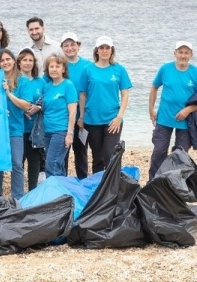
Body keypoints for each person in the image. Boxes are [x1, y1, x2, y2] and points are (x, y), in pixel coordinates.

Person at [148, 41, 197, 180]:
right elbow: (154, 87)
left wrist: (188, 110)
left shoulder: (196, 73)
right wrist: (151, 109)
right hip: (164, 118)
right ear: (175, 53)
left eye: (186, 53)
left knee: (180, 155)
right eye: (180, 52)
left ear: (191, 55)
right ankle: (153, 182)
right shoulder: (165, 69)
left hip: (187, 121)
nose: (183, 55)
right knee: (159, 151)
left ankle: (175, 185)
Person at [76, 36, 132, 174]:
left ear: (112, 51)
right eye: (102, 48)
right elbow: (82, 95)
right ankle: (98, 189)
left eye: (108, 48)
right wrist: (81, 117)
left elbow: (125, 95)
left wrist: (119, 117)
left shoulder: (119, 69)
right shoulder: (88, 69)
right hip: (92, 119)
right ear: (97, 51)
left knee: (109, 155)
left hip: (113, 119)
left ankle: (113, 186)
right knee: (97, 158)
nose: (105, 51)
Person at [0, 49, 26, 200]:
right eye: (2, 60)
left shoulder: (22, 80)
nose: (5, 62)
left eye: (8, 59)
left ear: (14, 61)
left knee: (16, 163)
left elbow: (25, 105)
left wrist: (8, 94)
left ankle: (18, 196)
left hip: (15, 127)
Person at [60, 32, 93, 178]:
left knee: (81, 151)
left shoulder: (88, 66)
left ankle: (83, 181)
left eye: (72, 44)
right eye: (66, 45)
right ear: (62, 48)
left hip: (81, 118)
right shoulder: (59, 65)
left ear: (78, 46)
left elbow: (92, 91)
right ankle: (63, 184)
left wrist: (84, 115)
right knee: (63, 152)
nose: (69, 48)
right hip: (63, 117)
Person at [40, 54, 78, 178]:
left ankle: (55, 194)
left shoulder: (68, 85)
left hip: (61, 131)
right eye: (51, 67)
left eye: (57, 66)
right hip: (47, 131)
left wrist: (69, 134)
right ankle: (64, 193)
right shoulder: (47, 87)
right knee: (57, 164)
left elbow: (72, 112)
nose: (54, 69)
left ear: (63, 69)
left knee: (52, 164)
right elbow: (45, 108)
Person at [16, 48, 44, 191]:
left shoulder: (41, 82)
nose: (27, 63)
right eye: (24, 60)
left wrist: (38, 107)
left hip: (35, 129)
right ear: (19, 62)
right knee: (19, 162)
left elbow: (48, 99)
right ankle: (19, 192)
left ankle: (33, 190)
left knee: (34, 161)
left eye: (30, 60)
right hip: (19, 128)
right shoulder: (15, 80)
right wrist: (23, 109)